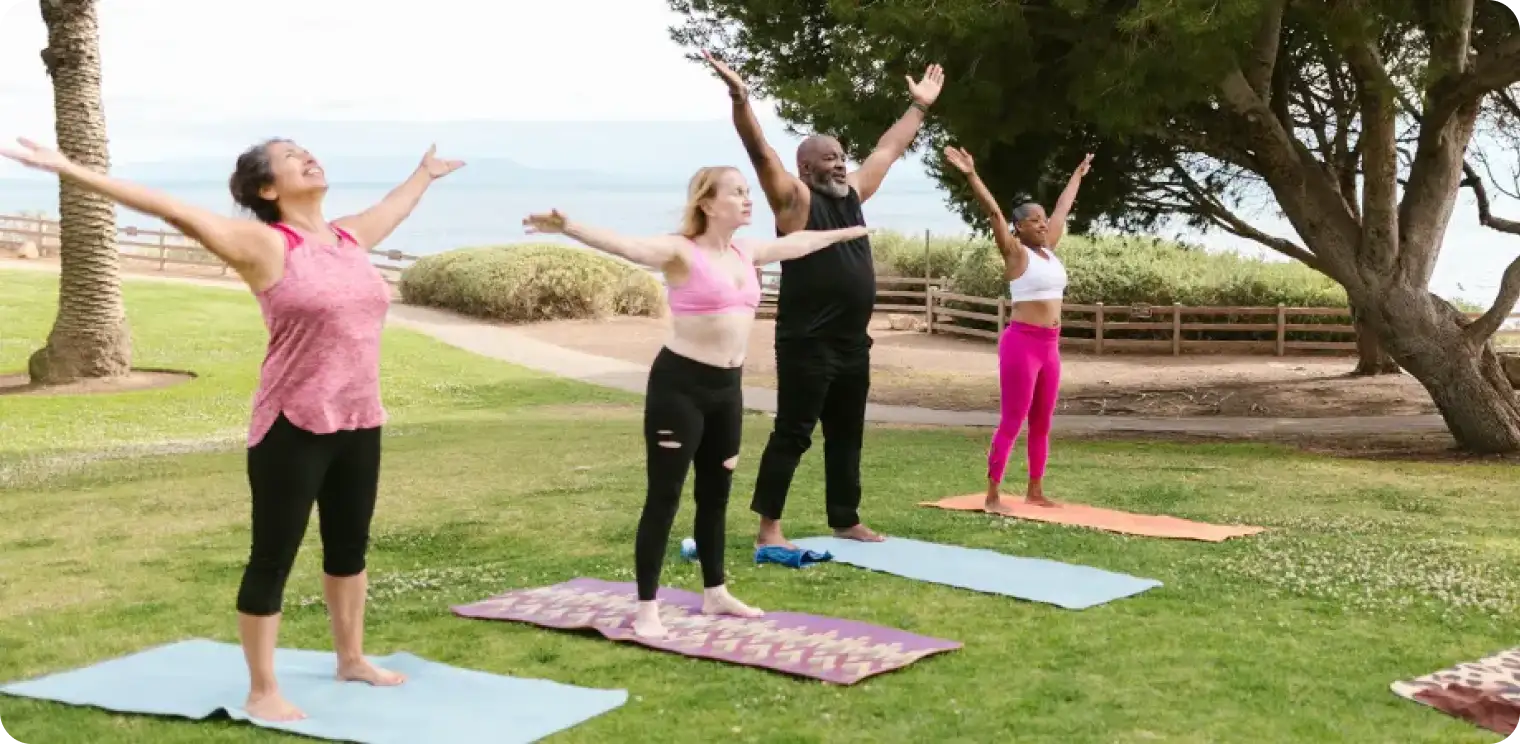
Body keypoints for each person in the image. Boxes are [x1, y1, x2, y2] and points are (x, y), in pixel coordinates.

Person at [0, 136, 463, 722]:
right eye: (290, 156)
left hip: (357, 418)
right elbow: (174, 210)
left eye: (306, 149)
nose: (307, 156)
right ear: (268, 189)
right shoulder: (265, 243)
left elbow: (394, 207)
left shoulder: (349, 238)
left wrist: (423, 173)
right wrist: (71, 169)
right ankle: (263, 689)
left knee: (350, 548)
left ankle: (351, 658)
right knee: (272, 557)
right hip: (291, 426)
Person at [522, 166, 869, 639]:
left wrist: (852, 229)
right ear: (707, 204)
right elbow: (628, 246)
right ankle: (646, 608)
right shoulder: (679, 251)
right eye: (738, 193)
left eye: (749, 193)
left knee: (716, 495)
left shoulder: (747, 251)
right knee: (664, 497)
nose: (749, 200)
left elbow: (797, 244)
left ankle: (715, 591)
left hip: (728, 390)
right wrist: (570, 227)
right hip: (679, 388)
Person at [700, 50, 946, 549]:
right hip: (807, 343)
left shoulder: (853, 193)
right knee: (793, 433)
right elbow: (759, 151)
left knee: (847, 433)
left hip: (853, 343)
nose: (840, 163)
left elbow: (888, 149)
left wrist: (918, 107)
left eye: (841, 156)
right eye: (828, 158)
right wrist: (740, 97)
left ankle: (845, 518)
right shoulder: (795, 201)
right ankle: (769, 527)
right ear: (805, 167)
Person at [942, 145, 1092, 514]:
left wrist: (1076, 175)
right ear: (1018, 228)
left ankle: (1035, 491)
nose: (1043, 223)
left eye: (1043, 219)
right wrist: (971, 174)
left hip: (1050, 346)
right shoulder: (1015, 253)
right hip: (1022, 344)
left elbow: (1062, 208)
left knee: (1041, 422)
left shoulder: (1049, 250)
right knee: (1013, 420)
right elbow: (993, 212)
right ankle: (993, 494)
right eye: (1034, 220)